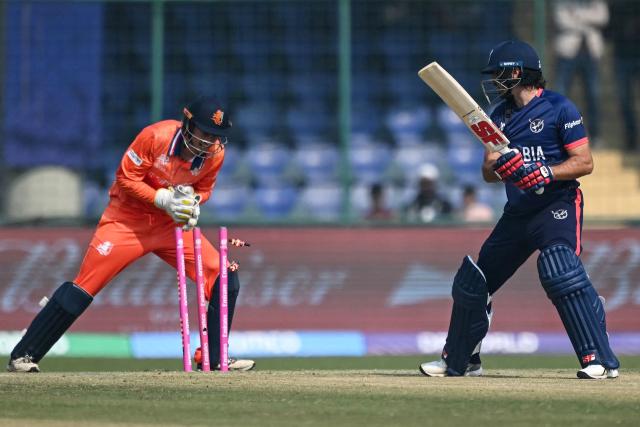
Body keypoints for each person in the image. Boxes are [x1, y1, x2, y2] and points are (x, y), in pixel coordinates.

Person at [7, 96, 255, 373]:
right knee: (84, 286)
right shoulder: (155, 136)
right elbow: (126, 178)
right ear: (187, 124)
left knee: (224, 275)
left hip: (169, 226)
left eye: (216, 136)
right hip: (126, 222)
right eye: (205, 133)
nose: (210, 142)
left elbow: (205, 188)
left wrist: (194, 202)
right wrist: (162, 199)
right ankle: (24, 355)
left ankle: (214, 359)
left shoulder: (214, 156)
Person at [419, 40, 619, 379]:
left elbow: (584, 162)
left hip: (556, 205)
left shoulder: (560, 108)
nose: (495, 80)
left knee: (560, 270)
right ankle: (463, 359)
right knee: (475, 282)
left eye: (500, 73)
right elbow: (487, 171)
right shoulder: (499, 115)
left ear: (519, 72)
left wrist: (544, 171)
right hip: (518, 211)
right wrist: (503, 168)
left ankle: (599, 360)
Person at [552, 0, 609, 145]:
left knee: (593, 95)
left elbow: (603, 17)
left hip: (591, 53)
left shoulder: (596, 2)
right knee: (561, 93)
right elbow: (561, 20)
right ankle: (557, 135)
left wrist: (577, 16)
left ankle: (596, 136)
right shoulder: (562, 3)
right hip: (567, 53)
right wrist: (589, 21)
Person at [610, 1, 640, 152]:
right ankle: (631, 140)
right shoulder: (616, 5)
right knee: (625, 101)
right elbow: (608, 29)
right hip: (622, 56)